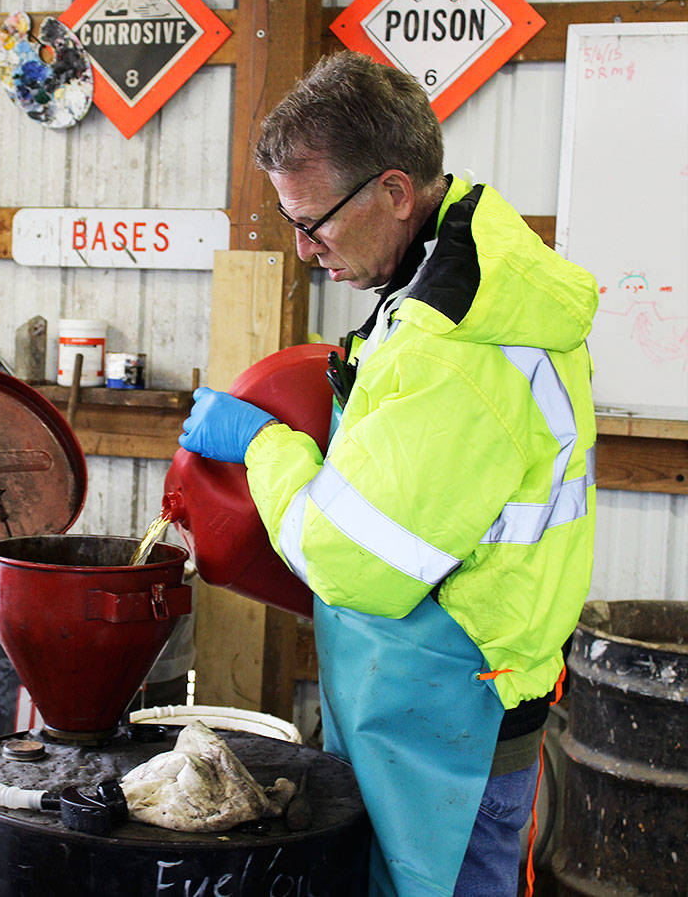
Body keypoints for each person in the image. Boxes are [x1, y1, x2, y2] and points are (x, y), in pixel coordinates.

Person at [179, 52, 597, 896]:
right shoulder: (454, 271)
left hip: (455, 719)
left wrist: (261, 443)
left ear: (396, 192)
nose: (302, 249)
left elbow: (347, 557)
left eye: (315, 222)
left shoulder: (455, 349)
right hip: (425, 696)